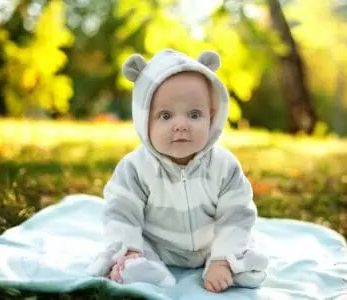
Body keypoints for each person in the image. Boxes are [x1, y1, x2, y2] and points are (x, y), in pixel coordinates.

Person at [88, 49, 268, 293]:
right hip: (159, 244)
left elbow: (237, 214)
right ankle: (139, 265)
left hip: (210, 244)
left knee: (241, 246)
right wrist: (130, 248)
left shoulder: (224, 166)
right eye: (165, 115)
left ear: (211, 117)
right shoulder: (136, 168)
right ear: (145, 121)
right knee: (131, 247)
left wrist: (221, 258)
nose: (181, 125)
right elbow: (121, 212)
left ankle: (228, 263)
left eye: (194, 114)